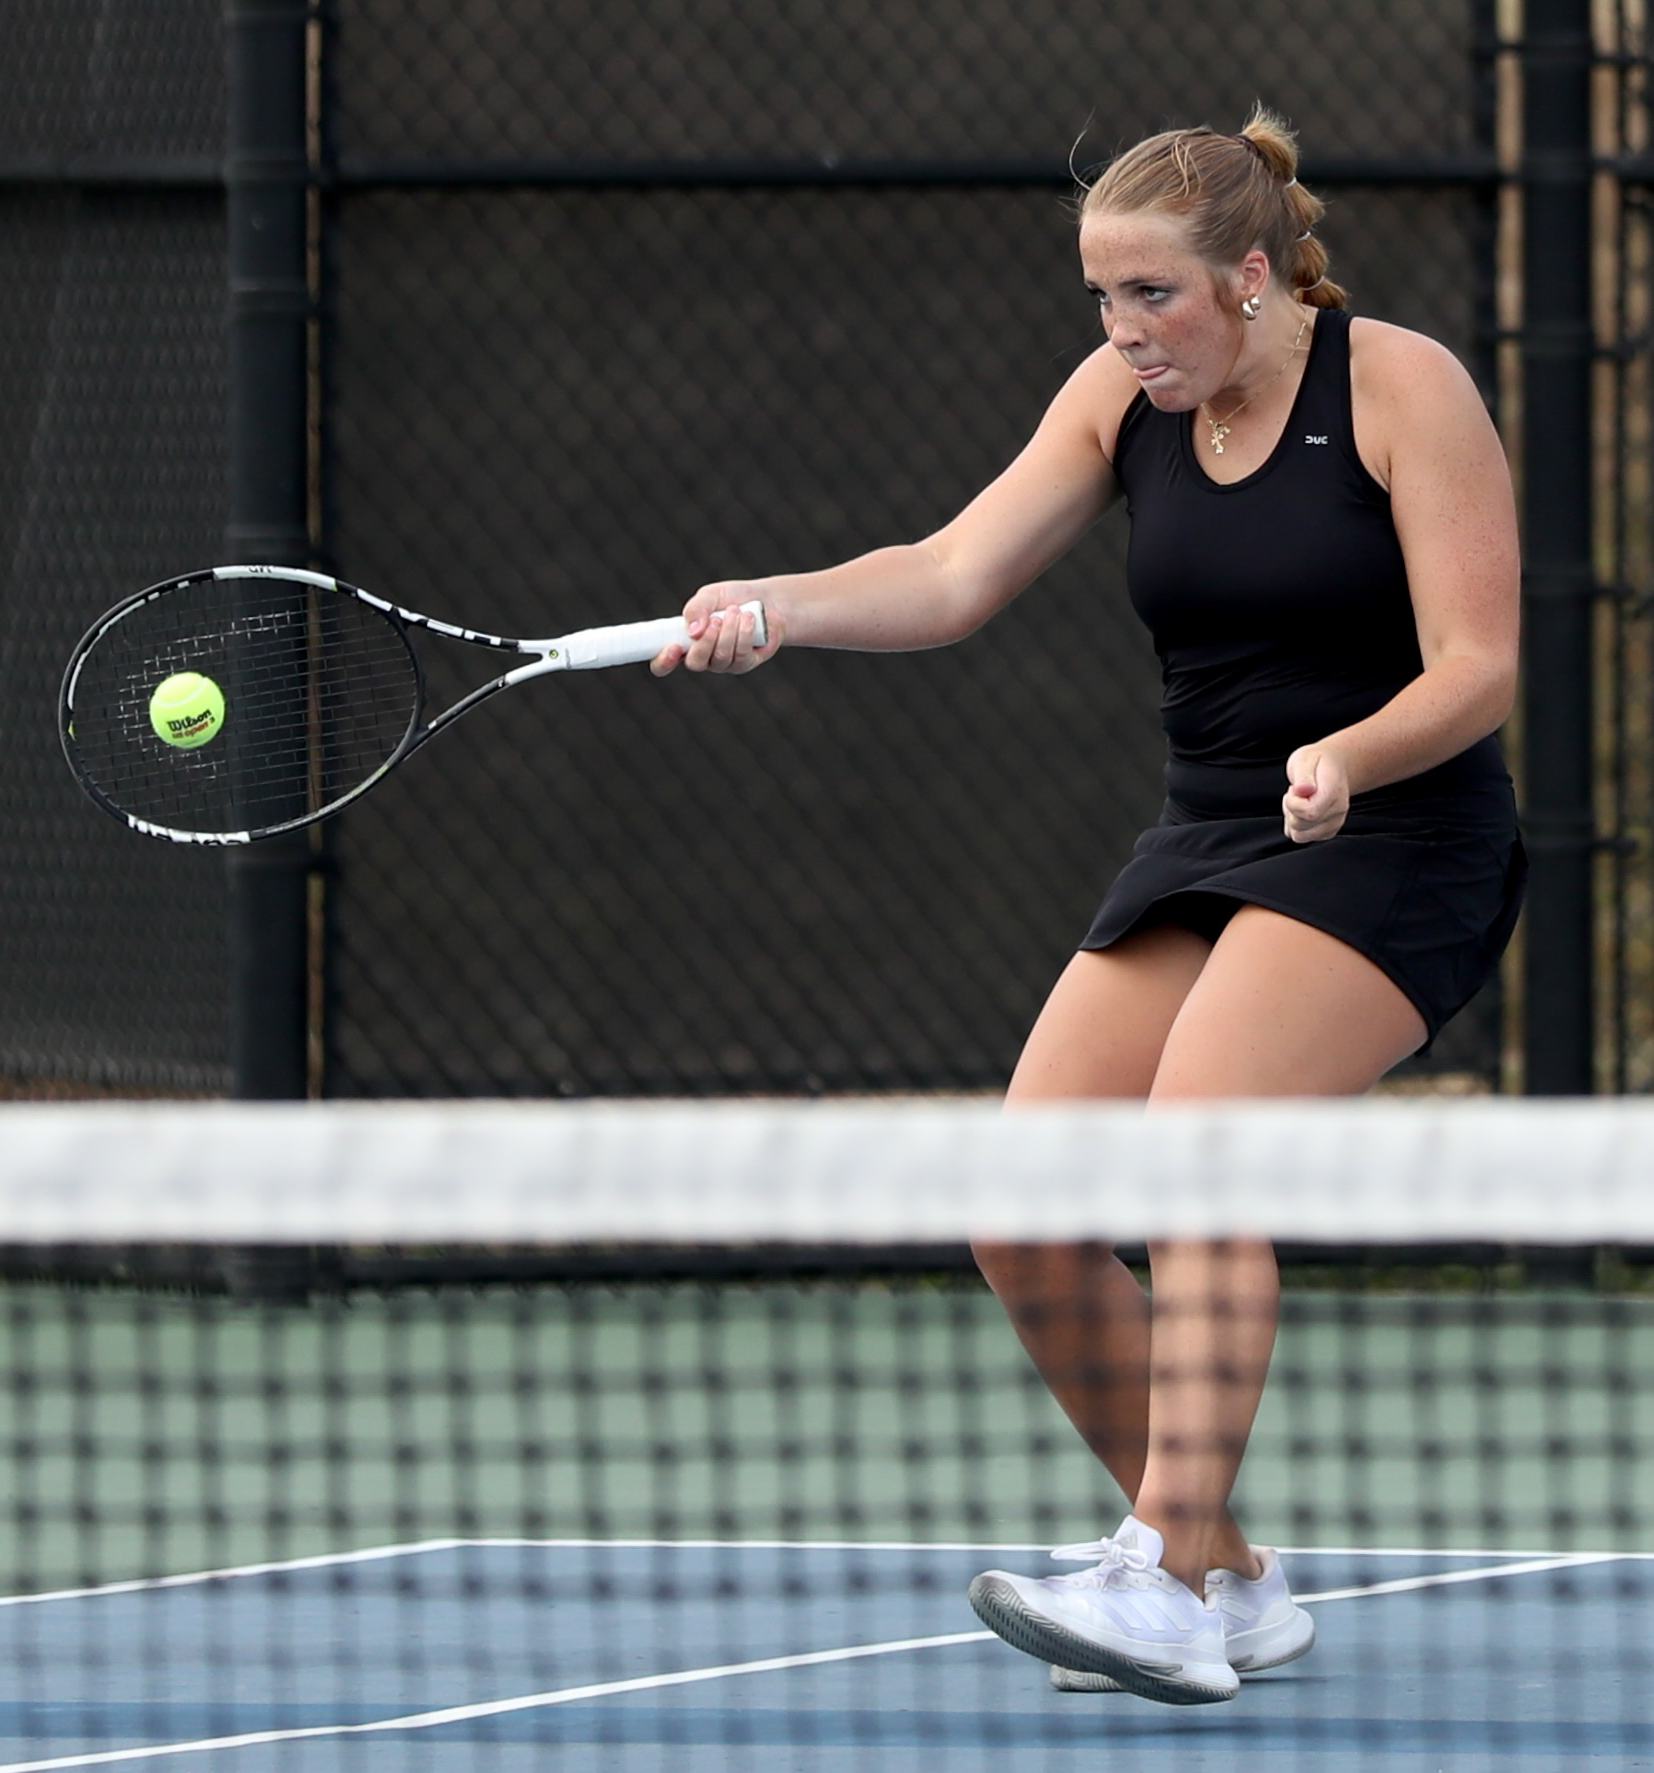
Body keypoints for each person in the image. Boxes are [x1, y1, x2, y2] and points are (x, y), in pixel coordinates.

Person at [650, 107, 1525, 1706]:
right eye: (1102, 299)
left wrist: (1349, 753)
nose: (1123, 330)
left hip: (1397, 832)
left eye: (1151, 295)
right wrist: (777, 608)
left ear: (1249, 278)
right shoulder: (1119, 399)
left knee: (1197, 1148)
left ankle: (1161, 1572)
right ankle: (1229, 1575)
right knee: (1025, 1207)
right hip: (1209, 833)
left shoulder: (1399, 387)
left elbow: (1478, 664)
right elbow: (949, 573)